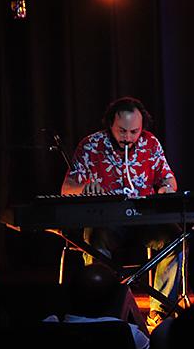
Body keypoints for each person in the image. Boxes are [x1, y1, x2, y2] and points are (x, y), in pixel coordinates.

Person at [61, 96, 179, 329]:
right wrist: (85, 188)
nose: (128, 138)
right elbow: (66, 188)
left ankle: (161, 311)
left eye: (134, 132)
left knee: (175, 239)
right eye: (122, 131)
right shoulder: (91, 144)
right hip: (106, 223)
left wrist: (166, 187)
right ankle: (102, 309)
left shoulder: (150, 143)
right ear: (110, 125)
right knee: (94, 240)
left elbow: (169, 179)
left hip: (144, 221)